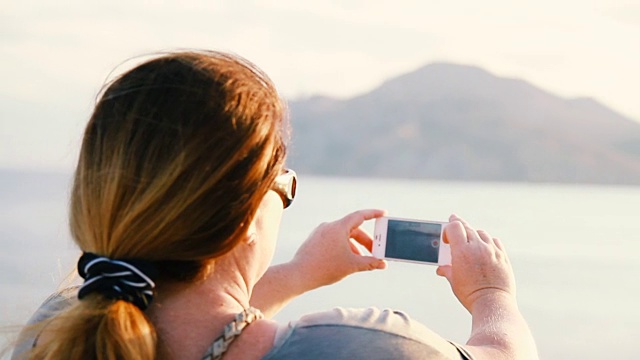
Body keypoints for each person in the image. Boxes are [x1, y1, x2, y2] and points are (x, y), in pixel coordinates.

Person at [12, 50, 538, 360]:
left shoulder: (55, 334)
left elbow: (179, 314)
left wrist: (299, 273)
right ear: (244, 214)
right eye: (284, 186)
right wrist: (492, 294)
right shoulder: (345, 349)